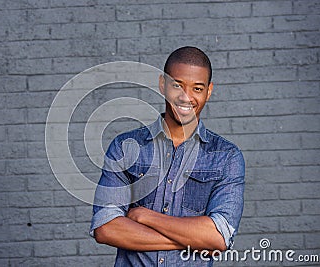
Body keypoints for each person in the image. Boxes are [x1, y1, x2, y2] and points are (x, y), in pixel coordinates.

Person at [90, 46, 245, 266]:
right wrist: (193, 240)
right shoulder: (125, 147)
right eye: (177, 85)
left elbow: (218, 236)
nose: (186, 97)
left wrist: (146, 217)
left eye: (197, 89)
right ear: (162, 84)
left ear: (209, 92)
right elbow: (106, 228)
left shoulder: (227, 158)